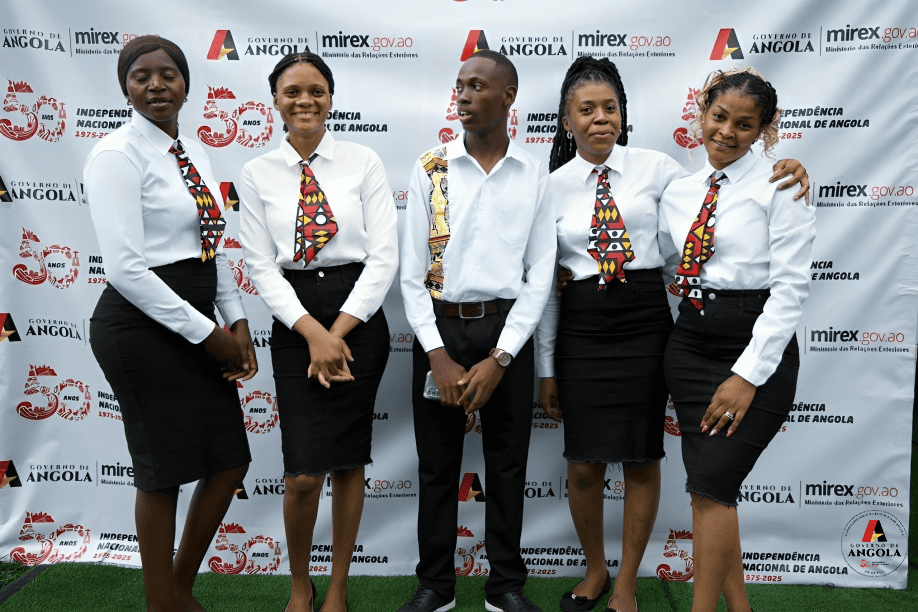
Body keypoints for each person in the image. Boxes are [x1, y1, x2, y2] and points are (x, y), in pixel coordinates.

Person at [535, 57, 810, 612]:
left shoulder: (665, 172)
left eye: (610, 107)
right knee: (596, 465)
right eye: (586, 109)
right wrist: (548, 355)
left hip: (656, 325)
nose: (600, 118)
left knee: (674, 471)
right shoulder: (557, 189)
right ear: (567, 120)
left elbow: (687, 256)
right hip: (604, 329)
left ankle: (632, 586)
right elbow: (546, 278)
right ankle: (603, 573)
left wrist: (789, 165)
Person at [84, 35, 257, 612]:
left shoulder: (194, 152)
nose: (156, 85)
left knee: (230, 460)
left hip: (198, 322)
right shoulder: (116, 154)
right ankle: (163, 603)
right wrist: (208, 334)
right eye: (142, 76)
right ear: (125, 88)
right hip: (139, 329)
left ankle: (177, 591)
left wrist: (236, 321)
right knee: (162, 473)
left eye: (168, 74)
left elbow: (213, 244)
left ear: (186, 84)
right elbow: (125, 269)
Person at [238, 52, 397, 612]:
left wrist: (339, 332)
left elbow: (383, 257)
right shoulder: (256, 173)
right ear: (275, 101)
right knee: (303, 474)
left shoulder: (363, 161)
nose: (304, 100)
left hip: (359, 316)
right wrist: (314, 334)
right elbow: (260, 266)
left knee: (349, 461)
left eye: (316, 91)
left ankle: (338, 587)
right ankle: (300, 583)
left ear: (331, 98)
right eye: (292, 91)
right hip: (295, 320)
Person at [397, 49, 554, 612]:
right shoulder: (431, 167)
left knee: (508, 465)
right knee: (436, 467)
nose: (462, 96)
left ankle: (505, 585)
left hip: (507, 333)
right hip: (440, 333)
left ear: (508, 97)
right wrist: (436, 355)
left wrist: (503, 356)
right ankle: (436, 586)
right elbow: (411, 274)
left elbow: (540, 275)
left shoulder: (534, 174)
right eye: (459, 85)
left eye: (477, 86)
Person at [658, 67, 815, 612]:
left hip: (755, 344)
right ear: (702, 113)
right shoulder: (678, 190)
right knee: (711, 492)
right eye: (718, 117)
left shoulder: (782, 185)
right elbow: (662, 260)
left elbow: (791, 289)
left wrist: (746, 376)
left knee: (712, 488)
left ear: (764, 130)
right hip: (689, 342)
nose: (726, 132)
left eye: (744, 125)